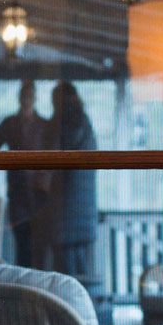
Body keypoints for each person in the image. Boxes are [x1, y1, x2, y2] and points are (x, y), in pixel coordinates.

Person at [42, 80, 98, 285]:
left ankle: (70, 316)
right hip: (82, 211)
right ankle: (84, 315)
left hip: (66, 210)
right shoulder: (83, 121)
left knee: (66, 276)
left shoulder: (67, 123)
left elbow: (57, 155)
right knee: (80, 272)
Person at [0, 79, 48, 266]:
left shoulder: (44, 126)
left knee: (40, 245)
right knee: (22, 244)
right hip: (18, 193)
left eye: (30, 96)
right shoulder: (9, 123)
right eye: (24, 96)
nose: (26, 100)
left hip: (40, 195)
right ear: (19, 98)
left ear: (35, 98)